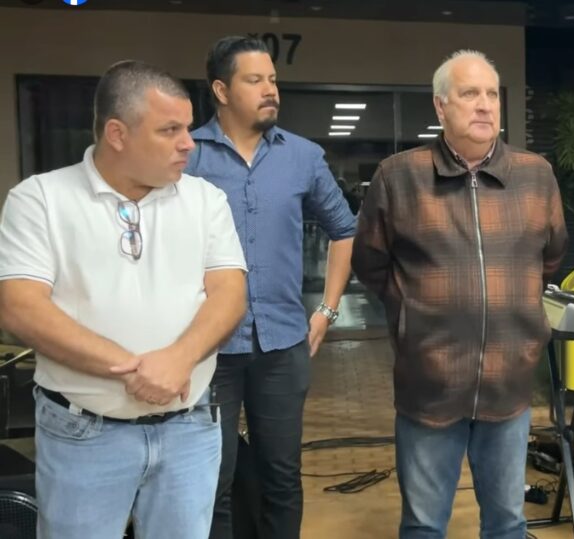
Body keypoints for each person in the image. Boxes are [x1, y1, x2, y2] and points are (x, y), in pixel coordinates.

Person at [0, 60, 247, 538]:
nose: (189, 143)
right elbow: (21, 307)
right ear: (117, 133)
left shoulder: (205, 200)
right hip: (83, 435)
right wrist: (134, 370)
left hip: (189, 429)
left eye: (187, 128)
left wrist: (179, 359)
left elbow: (229, 293)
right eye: (170, 130)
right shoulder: (41, 199)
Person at [352, 49, 568, 539]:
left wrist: (514, 304)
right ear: (440, 106)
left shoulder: (535, 175)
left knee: (507, 523)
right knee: (424, 526)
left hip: (510, 384)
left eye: (492, 94)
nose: (485, 105)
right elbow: (370, 262)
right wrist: (411, 314)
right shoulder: (399, 177)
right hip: (429, 385)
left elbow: (550, 255)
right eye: (470, 94)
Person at [185, 36, 357, 539]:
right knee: (211, 480)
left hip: (282, 344)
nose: (270, 90)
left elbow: (344, 229)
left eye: (273, 80)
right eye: (255, 80)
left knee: (282, 477)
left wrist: (327, 309)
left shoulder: (302, 157)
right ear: (221, 90)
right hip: (207, 349)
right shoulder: (187, 156)